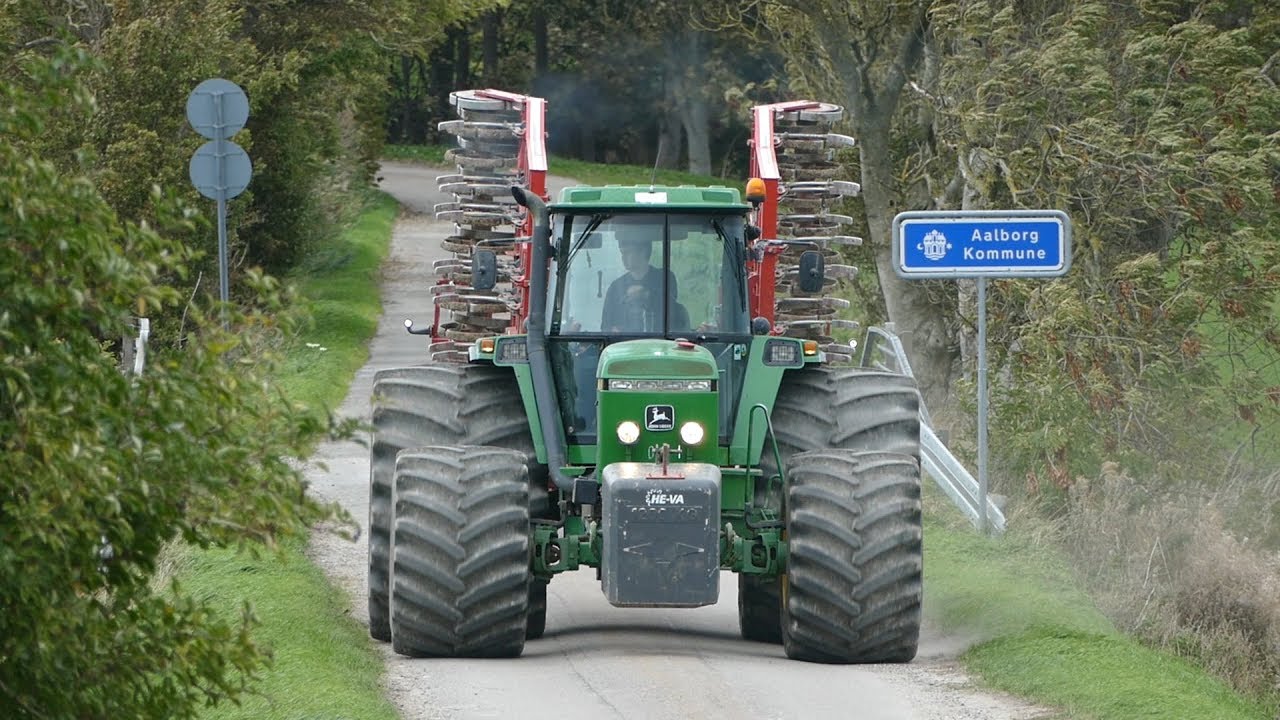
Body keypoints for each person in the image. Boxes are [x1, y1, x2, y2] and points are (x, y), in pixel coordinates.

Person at [601, 235, 677, 332]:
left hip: (660, 343)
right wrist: (612, 331)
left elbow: (674, 311)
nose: (623, 257)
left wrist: (646, 295)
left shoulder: (665, 278)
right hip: (624, 344)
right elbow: (605, 326)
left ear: (643, 251)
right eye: (622, 253)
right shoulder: (616, 287)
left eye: (628, 252)